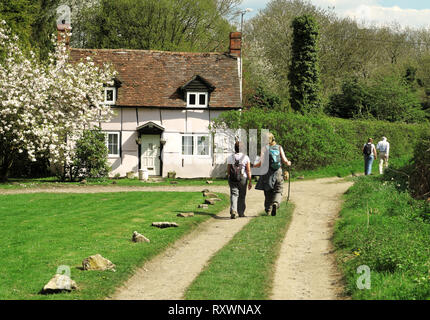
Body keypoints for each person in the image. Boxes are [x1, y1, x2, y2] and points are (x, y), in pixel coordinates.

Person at [254, 133, 291, 216]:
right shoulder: (279, 147)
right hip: (278, 172)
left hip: (267, 173)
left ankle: (268, 210)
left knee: (267, 192)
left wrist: (254, 165)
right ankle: (276, 203)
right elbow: (285, 160)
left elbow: (261, 162)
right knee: (278, 190)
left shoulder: (264, 148)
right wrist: (288, 163)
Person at [227, 141, 252, 219]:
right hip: (242, 178)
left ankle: (233, 210)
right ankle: (241, 212)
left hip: (233, 178)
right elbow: (248, 170)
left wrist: (229, 177)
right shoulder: (246, 157)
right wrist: (250, 181)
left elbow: (228, 169)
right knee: (242, 195)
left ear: (235, 148)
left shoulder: (230, 157)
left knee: (234, 194)